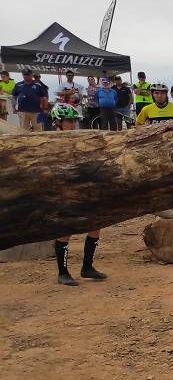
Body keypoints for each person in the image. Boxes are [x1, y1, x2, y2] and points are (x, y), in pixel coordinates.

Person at [49, 103, 107, 285]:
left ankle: (87, 267)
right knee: (65, 230)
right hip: (63, 191)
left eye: (74, 121)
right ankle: (62, 272)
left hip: (82, 188)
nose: (73, 124)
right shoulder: (48, 142)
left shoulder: (77, 138)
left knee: (95, 226)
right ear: (57, 122)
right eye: (69, 121)